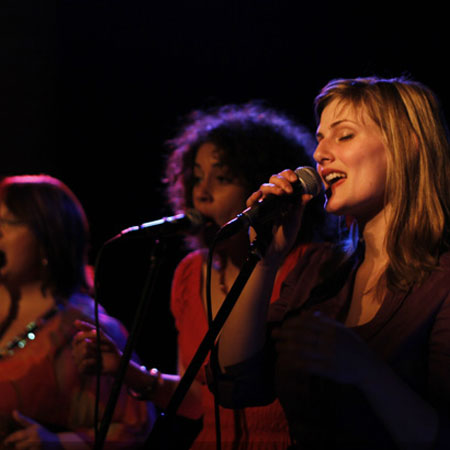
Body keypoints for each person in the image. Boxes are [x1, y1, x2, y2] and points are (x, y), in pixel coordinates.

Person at [72, 102, 333, 449]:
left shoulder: (312, 266)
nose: (201, 192)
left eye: (222, 178)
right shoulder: (191, 272)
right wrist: (128, 372)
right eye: (196, 177)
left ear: (263, 188)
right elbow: (199, 400)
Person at [214, 76, 450, 449]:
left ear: (407, 146)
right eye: (320, 138)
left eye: (344, 136)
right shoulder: (319, 271)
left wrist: (367, 369)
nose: (319, 154)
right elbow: (235, 384)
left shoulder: (442, 282)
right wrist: (264, 261)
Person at [0, 174, 154, 449]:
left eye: (8, 222)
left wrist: (59, 443)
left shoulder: (84, 327)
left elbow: (136, 427)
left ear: (48, 239)